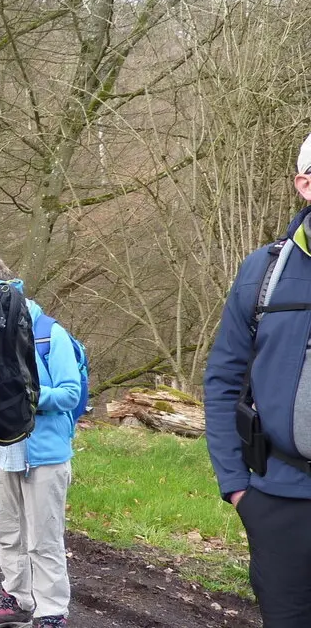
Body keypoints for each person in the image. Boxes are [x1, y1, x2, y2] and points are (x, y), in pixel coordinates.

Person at [205, 132, 311, 628]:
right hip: (280, 497)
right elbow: (223, 380)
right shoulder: (264, 273)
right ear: (304, 185)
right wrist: (237, 486)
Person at [0, 258, 80, 628]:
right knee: (6, 533)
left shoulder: (49, 333)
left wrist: (25, 398)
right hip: (5, 452)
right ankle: (18, 597)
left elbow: (71, 393)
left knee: (43, 538)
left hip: (46, 455)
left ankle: (52, 611)